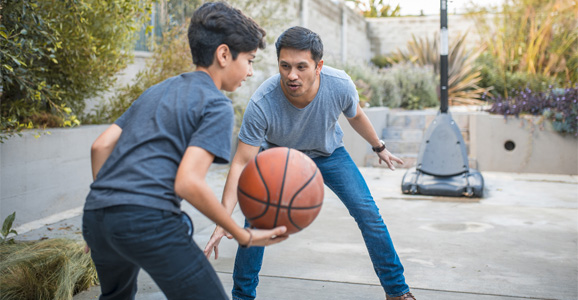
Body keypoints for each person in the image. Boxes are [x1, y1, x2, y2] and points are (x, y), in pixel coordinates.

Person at [82, 3, 288, 300]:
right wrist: (243, 234)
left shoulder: (156, 90)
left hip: (98, 216)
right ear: (223, 54)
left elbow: (100, 146)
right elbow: (188, 182)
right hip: (147, 218)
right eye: (250, 60)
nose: (251, 72)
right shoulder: (216, 104)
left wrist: (104, 210)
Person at [204, 26, 416, 300]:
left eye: (301, 67)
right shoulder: (262, 102)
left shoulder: (339, 84)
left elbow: (356, 115)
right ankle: (242, 296)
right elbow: (241, 162)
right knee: (256, 222)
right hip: (279, 159)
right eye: (285, 66)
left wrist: (379, 147)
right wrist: (222, 219)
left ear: (319, 66)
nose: (292, 75)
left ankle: (397, 291)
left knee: (369, 214)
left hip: (328, 154)